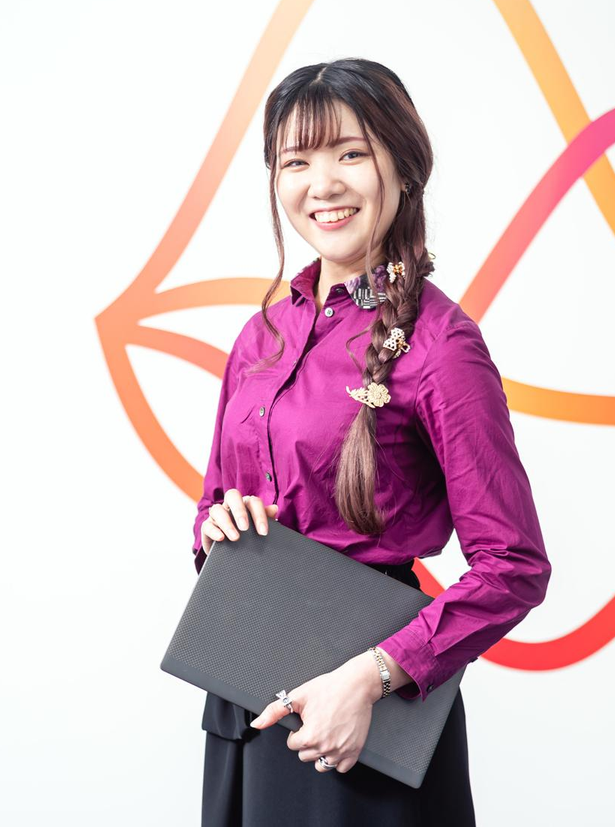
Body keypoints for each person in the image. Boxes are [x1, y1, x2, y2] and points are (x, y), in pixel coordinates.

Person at [188, 58, 551, 825]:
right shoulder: (260, 335)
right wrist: (219, 529)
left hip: (364, 732)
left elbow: (513, 567)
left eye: (349, 153)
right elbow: (211, 509)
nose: (322, 184)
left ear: (403, 165)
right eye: (296, 161)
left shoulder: (442, 345)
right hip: (246, 702)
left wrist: (373, 677)